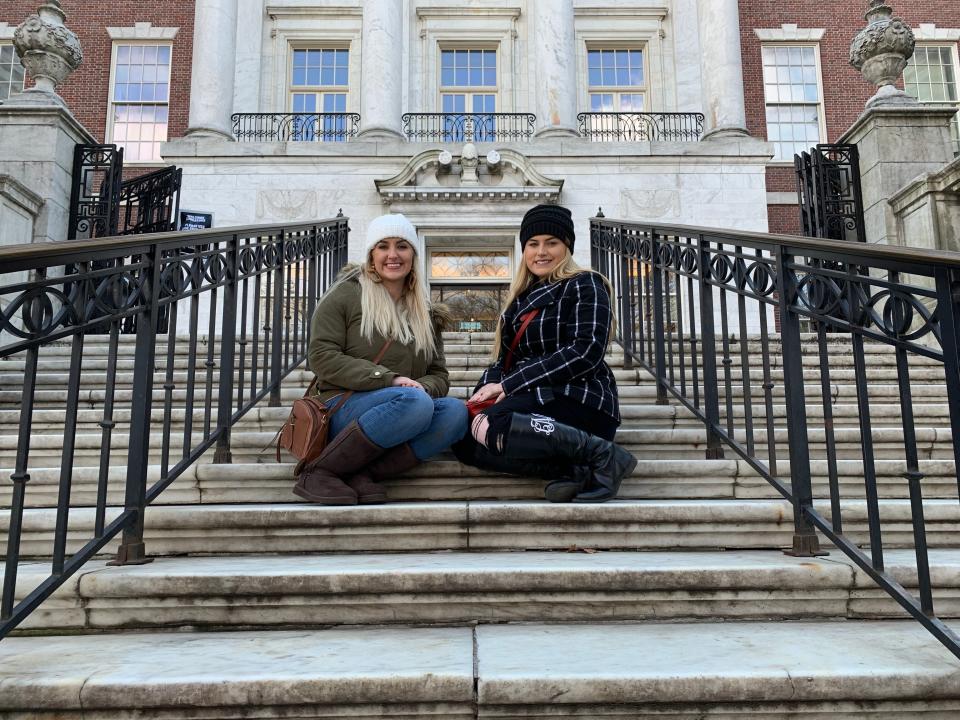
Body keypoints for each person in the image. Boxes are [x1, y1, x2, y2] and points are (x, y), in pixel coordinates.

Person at [453, 204, 636, 503]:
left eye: (552, 242)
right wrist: (483, 393)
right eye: (533, 244)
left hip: (579, 397)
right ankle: (577, 470)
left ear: (567, 247)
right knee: (463, 437)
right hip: (532, 397)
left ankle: (603, 454)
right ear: (523, 250)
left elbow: (585, 352)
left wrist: (509, 386)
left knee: (496, 423)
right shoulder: (518, 301)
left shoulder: (585, 284)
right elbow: (503, 360)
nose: (542, 251)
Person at [294, 213, 468, 505]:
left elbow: (439, 374)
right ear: (371, 255)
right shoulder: (346, 294)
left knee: (455, 412)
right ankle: (318, 471)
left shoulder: (425, 312)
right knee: (413, 402)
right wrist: (391, 380)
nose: (392, 255)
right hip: (341, 407)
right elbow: (322, 357)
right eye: (382, 246)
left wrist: (422, 387)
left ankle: (362, 473)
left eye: (402, 246)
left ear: (413, 254)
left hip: (405, 407)